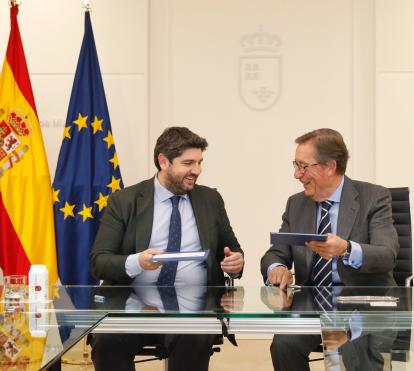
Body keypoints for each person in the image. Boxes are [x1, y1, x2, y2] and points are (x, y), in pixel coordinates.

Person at [90, 126, 244, 371]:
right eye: (188, 163)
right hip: (134, 304)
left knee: (192, 336)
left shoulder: (210, 200)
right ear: (163, 161)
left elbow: (232, 249)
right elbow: (99, 261)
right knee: (108, 339)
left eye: (200, 162)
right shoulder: (125, 201)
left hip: (193, 306)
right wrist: (137, 262)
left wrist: (236, 262)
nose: (197, 170)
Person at [260, 128, 399, 371]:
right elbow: (276, 252)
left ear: (329, 166)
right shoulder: (296, 204)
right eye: (296, 165)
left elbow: (387, 255)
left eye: (304, 166)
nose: (297, 174)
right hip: (312, 305)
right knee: (283, 344)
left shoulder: (374, 197)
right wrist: (277, 267)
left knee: (354, 355)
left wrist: (345, 249)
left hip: (362, 307)